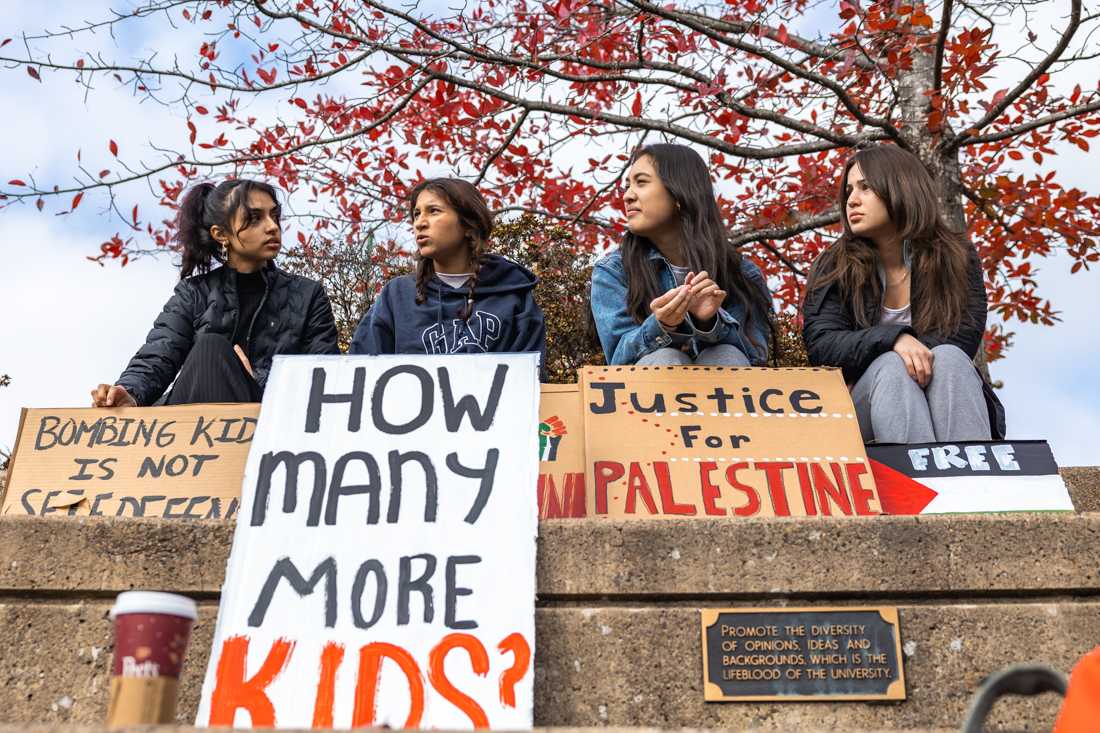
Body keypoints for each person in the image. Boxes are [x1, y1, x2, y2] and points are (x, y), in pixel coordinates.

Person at [801, 144, 1005, 443]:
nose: (852, 201)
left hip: (943, 392)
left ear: (900, 187)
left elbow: (963, 334)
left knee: (949, 357)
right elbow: (821, 343)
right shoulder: (835, 263)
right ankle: (919, 482)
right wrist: (893, 339)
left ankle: (972, 477)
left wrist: (911, 351)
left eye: (865, 187)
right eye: (848, 191)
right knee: (890, 365)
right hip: (861, 408)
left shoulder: (956, 256)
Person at [90, 179, 339, 407]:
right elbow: (159, 354)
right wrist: (129, 392)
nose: (272, 227)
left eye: (274, 215)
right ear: (221, 234)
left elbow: (324, 377)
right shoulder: (194, 293)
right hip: (189, 431)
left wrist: (254, 379)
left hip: (268, 425)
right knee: (211, 348)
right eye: (254, 218)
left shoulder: (308, 296)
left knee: (215, 350)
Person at [590, 143, 774, 367]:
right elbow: (618, 359)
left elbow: (755, 360)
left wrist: (708, 322)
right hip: (646, 397)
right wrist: (661, 325)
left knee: (725, 354)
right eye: (627, 186)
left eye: (641, 182)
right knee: (666, 359)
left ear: (679, 193)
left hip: (728, 395)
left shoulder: (741, 272)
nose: (627, 196)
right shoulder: (612, 271)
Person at [350, 178, 545, 364]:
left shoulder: (513, 296)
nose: (419, 223)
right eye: (417, 214)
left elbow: (530, 382)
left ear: (469, 225)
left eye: (433, 211)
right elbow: (362, 370)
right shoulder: (397, 296)